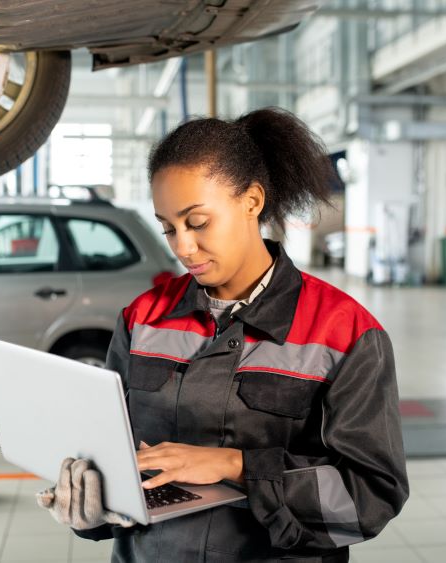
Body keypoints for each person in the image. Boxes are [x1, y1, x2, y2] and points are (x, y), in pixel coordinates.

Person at [37, 107, 409, 562]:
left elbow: (370, 496)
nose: (183, 247)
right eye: (168, 228)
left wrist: (236, 465)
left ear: (252, 201)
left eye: (197, 223)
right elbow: (114, 457)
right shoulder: (143, 319)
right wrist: (90, 505)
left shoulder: (344, 331)